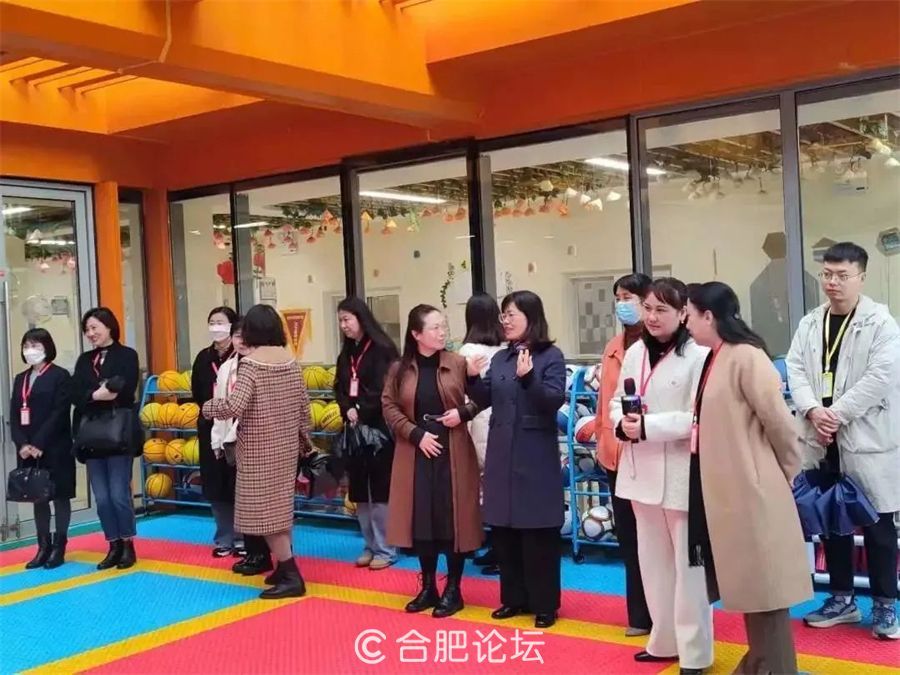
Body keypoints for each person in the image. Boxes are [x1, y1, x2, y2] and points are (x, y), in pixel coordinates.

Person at [686, 282, 812, 674]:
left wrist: (784, 473)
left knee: (767, 592)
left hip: (755, 489)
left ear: (709, 316)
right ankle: (761, 664)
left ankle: (771, 667)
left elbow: (780, 423)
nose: (687, 323)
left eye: (690, 315)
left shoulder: (746, 357)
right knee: (754, 592)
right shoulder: (717, 357)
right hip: (733, 490)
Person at [786, 242, 900, 640]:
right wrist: (812, 411)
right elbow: (795, 368)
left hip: (866, 437)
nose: (832, 282)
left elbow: (880, 377)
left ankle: (885, 606)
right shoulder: (810, 323)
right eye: (827, 274)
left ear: (861, 278)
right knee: (830, 519)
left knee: (878, 525)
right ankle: (841, 600)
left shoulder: (881, 323)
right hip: (820, 437)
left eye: (842, 275)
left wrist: (834, 415)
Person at [609, 278, 713, 675]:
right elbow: (617, 401)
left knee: (689, 568)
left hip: (680, 472)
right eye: (648, 308)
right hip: (640, 470)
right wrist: (622, 424)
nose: (651, 317)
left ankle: (695, 652)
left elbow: (698, 417)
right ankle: (663, 640)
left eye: (661, 310)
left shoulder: (698, 355)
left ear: (683, 313)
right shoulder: (635, 351)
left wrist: (649, 426)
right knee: (652, 563)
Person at [466, 290, 567, 629]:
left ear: (531, 317)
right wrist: (471, 378)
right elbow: (485, 398)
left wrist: (529, 379)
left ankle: (545, 604)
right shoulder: (500, 358)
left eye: (511, 315)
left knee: (538, 532)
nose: (505, 321)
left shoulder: (551, 356)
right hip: (501, 453)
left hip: (534, 455)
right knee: (505, 530)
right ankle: (513, 598)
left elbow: (551, 401)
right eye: (504, 315)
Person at [203, 304, 313, 599]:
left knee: (264, 516)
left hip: (257, 450)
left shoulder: (251, 365)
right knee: (280, 512)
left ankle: (291, 573)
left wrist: (208, 407)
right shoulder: (291, 361)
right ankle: (283, 568)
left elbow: (234, 405)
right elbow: (305, 409)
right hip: (286, 449)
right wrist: (305, 443)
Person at [381, 304, 482, 618]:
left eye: (443, 326)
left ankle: (454, 589)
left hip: (453, 451)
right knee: (422, 520)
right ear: (416, 334)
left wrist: (462, 413)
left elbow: (484, 397)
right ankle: (427, 586)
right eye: (435, 327)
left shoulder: (458, 363)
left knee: (453, 520)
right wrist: (415, 434)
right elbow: (389, 406)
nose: (442, 332)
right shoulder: (399, 369)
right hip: (416, 452)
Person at [594, 272, 653, 637]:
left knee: (656, 538)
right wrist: (599, 432)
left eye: (628, 297)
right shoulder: (614, 346)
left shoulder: (656, 344)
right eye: (618, 298)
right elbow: (606, 401)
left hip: (648, 450)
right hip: (614, 453)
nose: (622, 304)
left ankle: (664, 613)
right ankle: (639, 615)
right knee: (629, 536)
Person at [333, 297, 399, 571]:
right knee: (359, 490)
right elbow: (339, 386)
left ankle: (386, 548)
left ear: (361, 318)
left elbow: (385, 389)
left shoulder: (382, 350)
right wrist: (347, 408)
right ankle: (370, 544)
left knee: (380, 490)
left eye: (347, 319)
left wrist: (361, 409)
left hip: (379, 430)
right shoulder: (347, 353)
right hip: (354, 431)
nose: (343, 325)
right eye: (340, 320)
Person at [72, 307, 141, 571]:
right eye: (87, 329)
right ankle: (113, 544)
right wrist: (96, 394)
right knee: (101, 498)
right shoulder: (84, 360)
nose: (91, 333)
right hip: (91, 437)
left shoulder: (127, 355)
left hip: (118, 435)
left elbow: (124, 388)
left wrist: (99, 392)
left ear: (109, 326)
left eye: (94, 328)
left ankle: (128, 543)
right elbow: (75, 394)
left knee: (118, 494)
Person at [10, 329, 74, 569]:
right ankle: (43, 547)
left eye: (35, 345)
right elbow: (15, 414)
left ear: (47, 347)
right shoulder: (21, 378)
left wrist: (38, 443)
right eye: (27, 345)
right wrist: (22, 443)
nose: (30, 350)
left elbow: (59, 413)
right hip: (27, 449)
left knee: (59, 496)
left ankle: (59, 546)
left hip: (55, 447)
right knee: (38, 497)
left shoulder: (60, 375)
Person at [217, 321, 274, 578]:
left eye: (243, 336)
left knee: (262, 502)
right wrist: (217, 440)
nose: (239, 341)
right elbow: (220, 402)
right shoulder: (227, 367)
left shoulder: (262, 365)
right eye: (236, 336)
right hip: (232, 439)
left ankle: (270, 553)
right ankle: (253, 552)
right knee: (242, 500)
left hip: (259, 441)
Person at [191, 306, 245, 558]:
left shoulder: (242, 356)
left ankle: (244, 537)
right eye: (212, 322)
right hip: (210, 426)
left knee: (239, 484)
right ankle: (224, 538)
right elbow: (197, 392)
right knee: (215, 484)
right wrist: (210, 412)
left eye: (221, 322)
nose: (216, 327)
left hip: (237, 427)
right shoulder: (203, 358)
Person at [457, 293, 505, 577]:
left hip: (478, 421)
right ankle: (498, 546)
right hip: (500, 423)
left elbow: (463, 392)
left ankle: (487, 544)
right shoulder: (504, 348)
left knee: (480, 487)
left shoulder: (468, 350)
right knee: (498, 488)